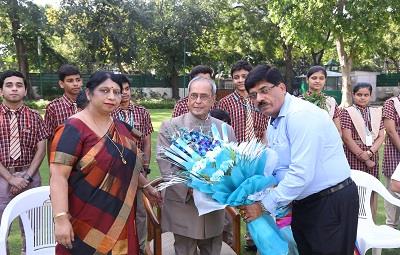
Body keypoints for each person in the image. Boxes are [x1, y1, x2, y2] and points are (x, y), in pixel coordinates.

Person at [241, 65, 359, 255]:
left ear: (282, 88)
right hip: (305, 203)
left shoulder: (301, 115)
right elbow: (280, 167)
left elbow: (300, 174)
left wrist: (263, 206)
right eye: (253, 95)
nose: (259, 99)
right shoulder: (275, 120)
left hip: (329, 202)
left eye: (264, 91)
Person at [49, 71, 161, 255]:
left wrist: (146, 186)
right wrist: (61, 219)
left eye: (116, 92)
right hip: (85, 217)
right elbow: (58, 177)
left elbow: (127, 165)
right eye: (104, 90)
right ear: (88, 93)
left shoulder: (120, 127)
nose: (112, 97)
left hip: (120, 215)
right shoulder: (72, 129)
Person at [157, 77, 236, 255]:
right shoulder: (170, 127)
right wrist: (193, 190)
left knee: (212, 250)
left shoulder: (225, 130)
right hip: (183, 204)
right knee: (184, 250)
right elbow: (165, 165)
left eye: (204, 96)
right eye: (194, 96)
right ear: (188, 97)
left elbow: (233, 166)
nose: (198, 101)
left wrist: (217, 187)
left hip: (213, 206)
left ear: (213, 99)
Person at [0, 70, 48, 254]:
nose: (14, 89)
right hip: (2, 177)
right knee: (1, 226)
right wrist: (10, 179)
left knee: (32, 226)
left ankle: (29, 251)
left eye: (19, 85)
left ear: (25, 91)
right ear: (1, 91)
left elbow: (41, 149)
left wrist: (26, 177)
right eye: (9, 85)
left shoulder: (35, 117)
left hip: (31, 175)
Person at [112, 74, 154, 255]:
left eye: (127, 89)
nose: (125, 94)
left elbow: (146, 141)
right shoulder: (109, 112)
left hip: (139, 170)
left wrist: (145, 165)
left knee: (141, 211)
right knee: (118, 212)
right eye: (121, 91)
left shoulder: (142, 112)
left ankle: (142, 247)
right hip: (116, 171)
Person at [340, 82, 384, 219]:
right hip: (354, 156)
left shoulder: (376, 112)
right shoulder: (347, 112)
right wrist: (363, 156)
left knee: (371, 190)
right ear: (353, 95)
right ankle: (353, 224)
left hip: (372, 155)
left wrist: (370, 154)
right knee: (355, 189)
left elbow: (381, 135)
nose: (362, 98)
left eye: (366, 95)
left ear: (370, 96)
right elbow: (347, 138)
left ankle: (371, 221)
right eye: (359, 95)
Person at [218, 60, 269, 143]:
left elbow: (266, 128)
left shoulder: (260, 100)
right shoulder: (224, 103)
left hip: (259, 150)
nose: (240, 80)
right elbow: (220, 130)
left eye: (244, 76)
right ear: (232, 79)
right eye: (236, 77)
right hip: (233, 151)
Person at [44, 64, 83, 140]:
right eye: (70, 81)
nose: (75, 84)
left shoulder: (90, 104)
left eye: (78, 80)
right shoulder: (53, 108)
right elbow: (50, 138)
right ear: (61, 84)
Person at [301, 66, 342, 135]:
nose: (317, 81)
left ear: (325, 80)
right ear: (307, 80)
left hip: (326, 141)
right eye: (314, 78)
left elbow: (337, 130)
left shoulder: (331, 101)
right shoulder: (299, 101)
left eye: (321, 78)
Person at [382, 93, 400, 228]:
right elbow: (391, 131)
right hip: (395, 151)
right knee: (392, 191)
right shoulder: (391, 103)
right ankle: (390, 227)